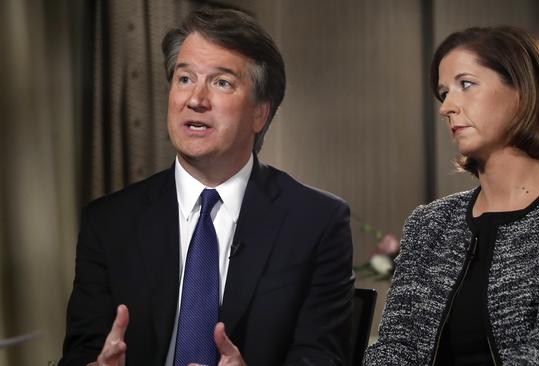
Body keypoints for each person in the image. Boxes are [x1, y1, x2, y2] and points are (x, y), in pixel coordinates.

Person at [60, 8, 354, 366]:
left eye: (221, 82)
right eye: (184, 79)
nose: (195, 99)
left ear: (260, 112)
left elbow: (321, 357)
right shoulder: (108, 222)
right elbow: (81, 352)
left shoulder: (317, 221)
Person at [364, 26, 539, 365]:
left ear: (523, 90)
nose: (446, 107)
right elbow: (396, 347)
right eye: (443, 93)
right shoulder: (429, 223)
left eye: (466, 84)